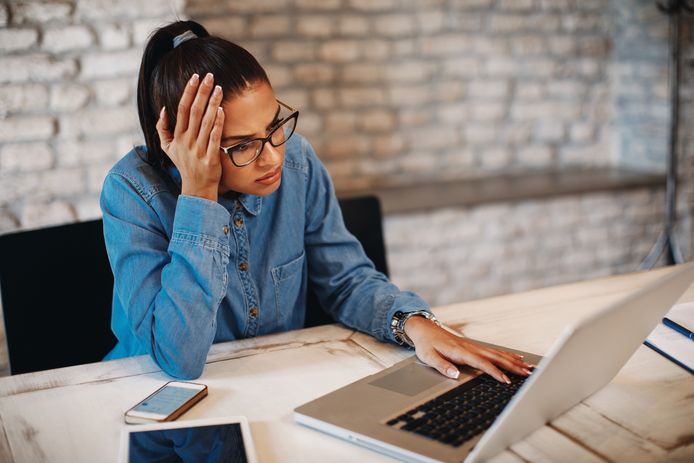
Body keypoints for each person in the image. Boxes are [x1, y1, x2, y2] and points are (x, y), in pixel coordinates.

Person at [100, 20, 532, 382]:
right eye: (242, 145)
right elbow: (180, 359)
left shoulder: (298, 163)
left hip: (272, 380)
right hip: (141, 400)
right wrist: (200, 194)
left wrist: (414, 326)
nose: (273, 156)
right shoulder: (132, 192)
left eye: (274, 127)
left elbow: (345, 280)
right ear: (186, 143)